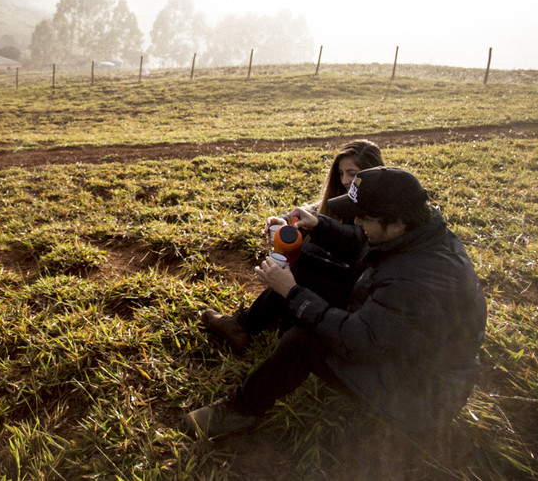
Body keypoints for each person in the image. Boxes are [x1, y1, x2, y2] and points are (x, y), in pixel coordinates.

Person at [185, 166, 487, 443]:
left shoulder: (415, 284)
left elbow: (356, 341)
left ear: (396, 222)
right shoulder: (418, 235)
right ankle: (242, 327)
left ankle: (242, 409)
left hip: (421, 395)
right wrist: (317, 224)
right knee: (301, 270)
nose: (356, 221)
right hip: (398, 345)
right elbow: (363, 243)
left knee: (303, 341)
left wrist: (292, 294)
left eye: (363, 217)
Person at [199, 139, 385, 353]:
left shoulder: (381, 206)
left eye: (352, 173)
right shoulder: (345, 197)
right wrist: (285, 221)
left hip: (361, 297)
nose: (344, 180)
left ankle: (243, 325)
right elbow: (317, 212)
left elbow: (358, 241)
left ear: (371, 172)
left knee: (302, 259)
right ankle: (271, 316)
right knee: (301, 254)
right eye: (341, 173)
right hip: (350, 283)